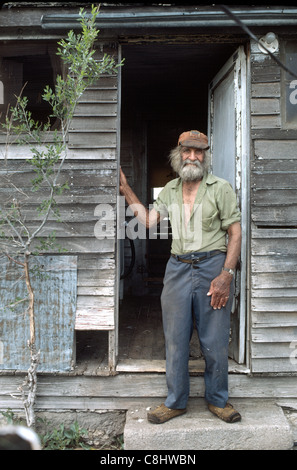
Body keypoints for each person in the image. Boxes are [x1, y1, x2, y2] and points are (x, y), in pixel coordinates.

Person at [119, 130, 242, 424]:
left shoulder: (220, 188)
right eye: (187, 151)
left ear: (205, 156)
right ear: (179, 154)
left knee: (214, 339)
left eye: (199, 152)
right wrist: (125, 188)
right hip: (177, 269)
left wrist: (226, 274)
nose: (193, 157)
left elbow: (235, 233)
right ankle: (175, 402)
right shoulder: (171, 190)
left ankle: (218, 400)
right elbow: (148, 221)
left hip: (213, 266)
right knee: (175, 338)